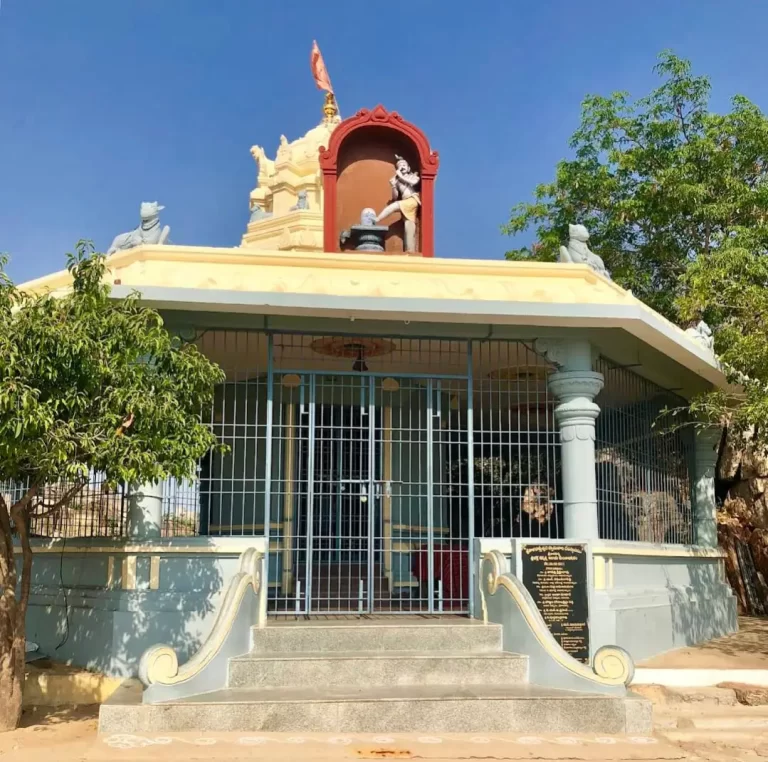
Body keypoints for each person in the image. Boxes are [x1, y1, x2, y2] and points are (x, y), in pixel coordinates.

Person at [375, 155, 420, 252]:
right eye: (400, 165)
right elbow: (395, 197)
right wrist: (393, 186)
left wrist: (399, 175)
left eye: (404, 165)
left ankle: (377, 219)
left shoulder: (412, 176)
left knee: (393, 207)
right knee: (409, 226)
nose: (402, 167)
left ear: (408, 168)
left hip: (411, 200)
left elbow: (414, 182)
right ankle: (410, 250)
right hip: (405, 202)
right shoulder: (398, 180)